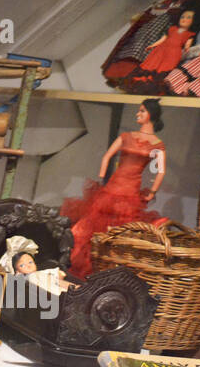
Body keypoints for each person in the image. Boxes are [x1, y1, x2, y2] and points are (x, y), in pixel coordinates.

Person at [59, 98, 166, 278]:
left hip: (131, 192)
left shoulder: (157, 145)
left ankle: (106, 271)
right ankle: (80, 267)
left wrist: (153, 191)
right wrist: (102, 177)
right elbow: (107, 156)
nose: (137, 114)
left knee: (120, 231)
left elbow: (160, 171)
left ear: (151, 115)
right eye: (138, 110)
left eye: (142, 111)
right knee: (91, 227)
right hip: (112, 187)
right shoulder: (126, 137)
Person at [140, 8, 197, 75]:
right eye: (182, 17)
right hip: (162, 48)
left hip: (174, 52)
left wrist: (187, 49)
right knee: (154, 61)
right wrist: (153, 45)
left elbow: (187, 44)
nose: (184, 19)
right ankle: (147, 73)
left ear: (193, 21)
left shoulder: (190, 34)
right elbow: (163, 39)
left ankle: (157, 76)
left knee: (166, 65)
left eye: (188, 17)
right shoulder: (172, 28)